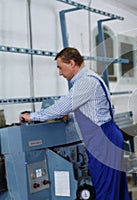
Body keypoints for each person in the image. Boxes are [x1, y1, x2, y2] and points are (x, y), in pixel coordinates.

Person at [19, 47, 130, 200]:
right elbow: (91, 108)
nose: (59, 73)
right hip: (108, 135)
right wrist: (70, 114)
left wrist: (32, 116)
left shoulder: (85, 82)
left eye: (60, 67)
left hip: (102, 140)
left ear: (71, 63)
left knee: (106, 190)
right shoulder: (93, 77)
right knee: (116, 188)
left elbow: (60, 107)